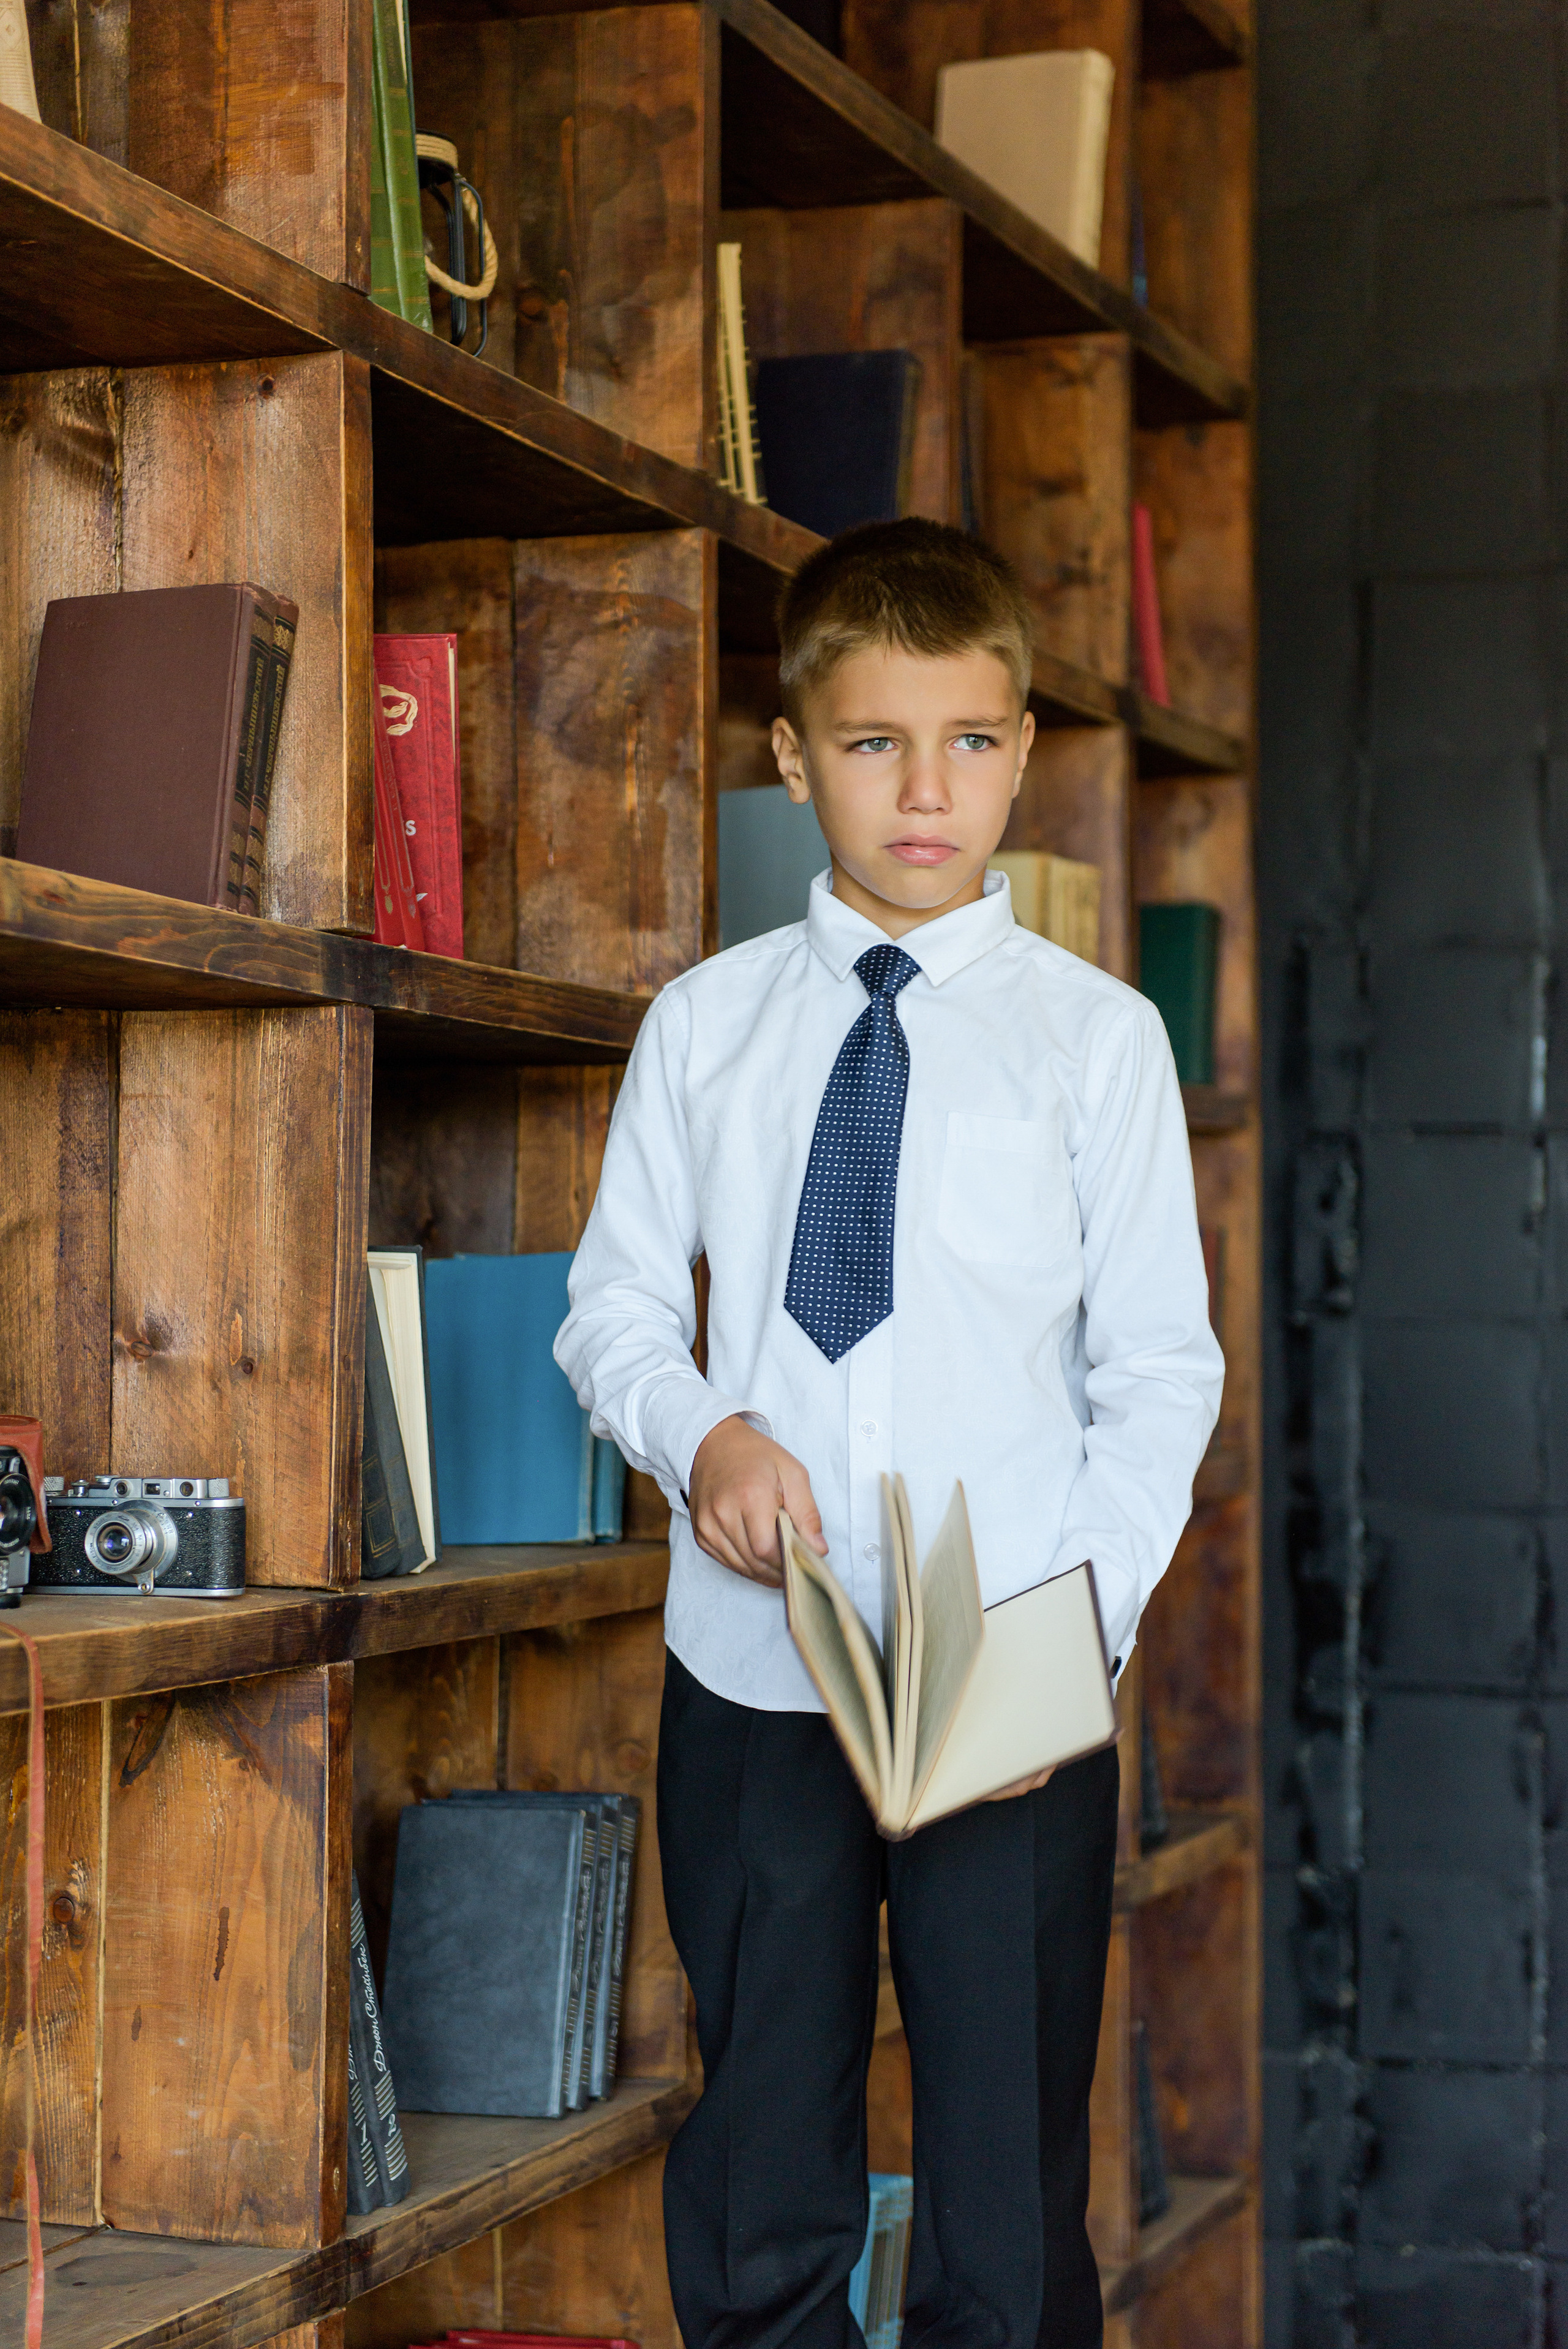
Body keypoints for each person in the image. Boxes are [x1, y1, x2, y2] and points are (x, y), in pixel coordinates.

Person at [555, 517, 1223, 2349]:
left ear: (1019, 748)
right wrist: (700, 1433)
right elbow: (613, 1307)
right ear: (793, 756)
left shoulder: (1096, 1044)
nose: (927, 790)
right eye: (873, 743)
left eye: (972, 742)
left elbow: (1160, 1370)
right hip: (757, 1670)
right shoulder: (702, 1030)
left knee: (1004, 2179)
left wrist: (1060, 1647)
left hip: (1004, 1681)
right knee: (764, 2145)